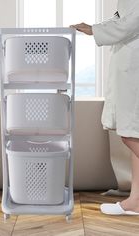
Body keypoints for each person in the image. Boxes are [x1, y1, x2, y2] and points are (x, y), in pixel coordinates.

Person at [71, 0, 139, 215]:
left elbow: (133, 20)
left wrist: (94, 30)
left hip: (135, 66)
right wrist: (95, 27)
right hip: (129, 61)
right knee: (134, 135)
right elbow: (124, 17)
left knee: (130, 134)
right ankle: (136, 201)